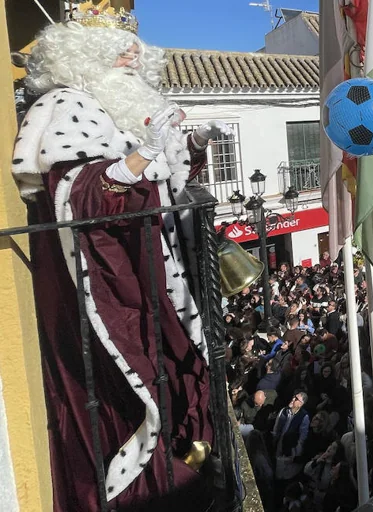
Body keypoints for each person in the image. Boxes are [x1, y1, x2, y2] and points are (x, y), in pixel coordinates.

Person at [12, 8, 232, 510]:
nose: (132, 52)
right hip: (107, 280)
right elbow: (83, 195)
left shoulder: (121, 107)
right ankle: (142, 485)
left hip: (150, 263)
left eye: (133, 44)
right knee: (135, 383)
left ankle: (184, 460)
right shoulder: (70, 106)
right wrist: (141, 158)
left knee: (178, 367)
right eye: (116, 43)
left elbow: (157, 180)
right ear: (79, 54)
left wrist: (189, 146)